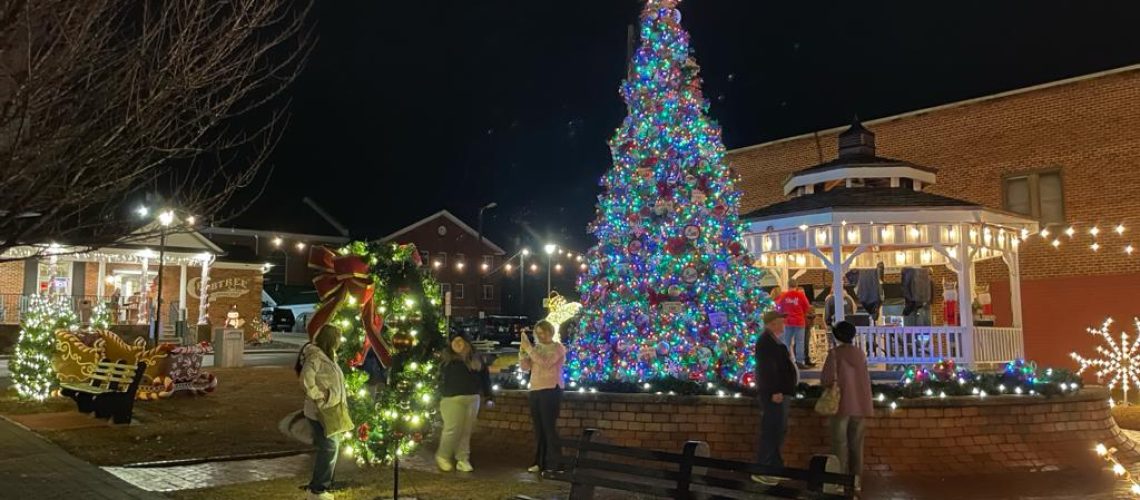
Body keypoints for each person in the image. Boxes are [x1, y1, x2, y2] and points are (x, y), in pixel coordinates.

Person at [296, 325, 352, 500]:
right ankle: (318, 490)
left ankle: (320, 485)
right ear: (331, 339)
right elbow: (306, 380)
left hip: (331, 409)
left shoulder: (329, 357)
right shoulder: (316, 357)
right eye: (337, 338)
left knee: (330, 447)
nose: (339, 342)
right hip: (320, 411)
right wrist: (320, 396)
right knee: (329, 447)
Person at [820, 321, 874, 493]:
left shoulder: (834, 354)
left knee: (839, 444)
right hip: (860, 404)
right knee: (857, 445)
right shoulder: (860, 354)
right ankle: (856, 480)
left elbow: (826, 379)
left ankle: (840, 481)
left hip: (841, 405)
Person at [436, 332, 494, 473]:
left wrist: (489, 396)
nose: (457, 344)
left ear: (467, 343)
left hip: (472, 398)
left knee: (466, 430)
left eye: (460, 341)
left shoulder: (476, 359)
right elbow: (438, 380)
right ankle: (443, 456)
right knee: (452, 429)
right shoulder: (446, 360)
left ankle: (463, 458)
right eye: (454, 341)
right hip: (451, 398)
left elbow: (485, 378)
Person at [752, 310, 798, 486]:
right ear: (772, 324)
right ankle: (763, 468)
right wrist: (775, 390)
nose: (783, 326)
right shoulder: (766, 343)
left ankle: (775, 466)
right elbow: (768, 369)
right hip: (774, 394)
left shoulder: (773, 341)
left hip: (781, 392)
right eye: (780, 322)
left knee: (779, 429)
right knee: (772, 429)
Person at [519, 320, 566, 473]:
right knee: (539, 428)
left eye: (544, 332)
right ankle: (540, 462)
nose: (541, 335)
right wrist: (523, 352)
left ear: (551, 332)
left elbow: (546, 363)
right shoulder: (536, 348)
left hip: (551, 390)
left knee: (548, 427)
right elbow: (526, 368)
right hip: (535, 390)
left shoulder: (558, 348)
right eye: (538, 333)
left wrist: (530, 350)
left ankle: (556, 463)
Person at [775, 280, 813, 368]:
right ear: (796, 285)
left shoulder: (784, 295)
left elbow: (778, 307)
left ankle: (786, 360)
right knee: (799, 342)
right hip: (799, 321)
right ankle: (800, 362)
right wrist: (801, 313)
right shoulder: (800, 295)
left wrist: (784, 314)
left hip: (787, 321)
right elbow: (807, 307)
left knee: (787, 342)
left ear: (788, 285)